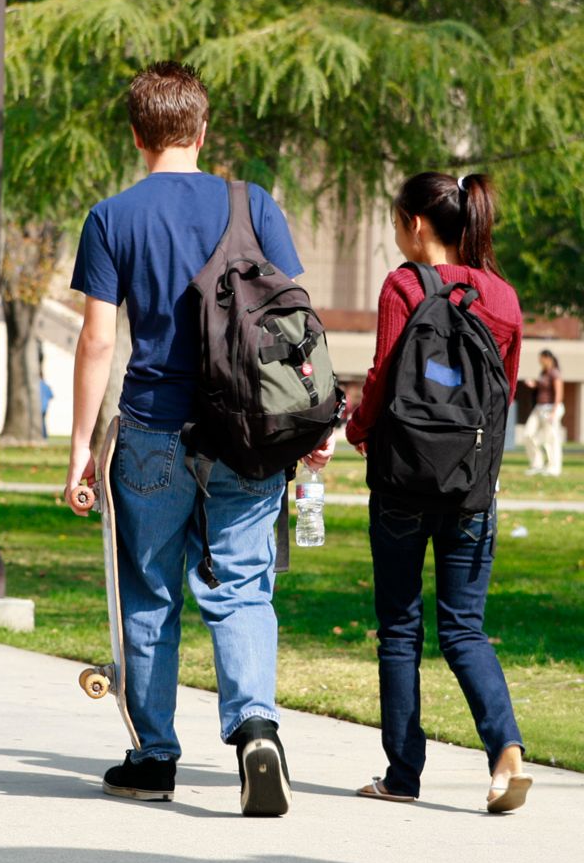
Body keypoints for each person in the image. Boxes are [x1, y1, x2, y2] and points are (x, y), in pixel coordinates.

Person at [64, 61, 334, 816]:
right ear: (203, 129)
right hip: (248, 430)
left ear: (136, 134)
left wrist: (81, 446)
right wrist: (312, 426)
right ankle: (255, 728)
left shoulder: (112, 217)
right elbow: (290, 324)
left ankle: (153, 758)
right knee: (243, 584)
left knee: (148, 591)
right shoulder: (254, 203)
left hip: (152, 428)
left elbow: (94, 341)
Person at [346, 172, 533, 813]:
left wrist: (356, 428)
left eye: (396, 222)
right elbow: (502, 396)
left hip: (402, 481)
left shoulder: (403, 284)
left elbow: (382, 374)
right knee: (465, 630)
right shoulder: (505, 299)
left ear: (416, 225)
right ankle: (504, 748)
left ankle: (402, 774)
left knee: (400, 628)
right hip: (470, 488)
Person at [523, 350, 565, 476]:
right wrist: (534, 383)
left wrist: (554, 412)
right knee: (528, 434)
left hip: (551, 408)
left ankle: (554, 468)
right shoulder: (543, 372)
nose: (539, 361)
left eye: (541, 358)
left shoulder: (555, 373)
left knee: (551, 439)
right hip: (539, 408)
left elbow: (559, 393)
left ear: (547, 358)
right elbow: (542, 386)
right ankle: (537, 464)